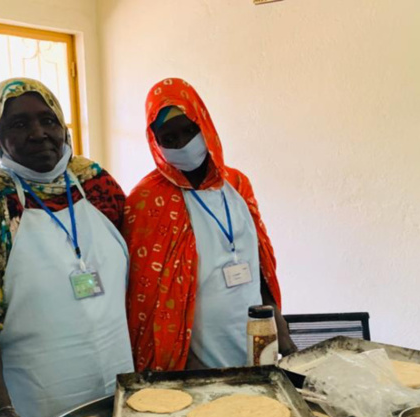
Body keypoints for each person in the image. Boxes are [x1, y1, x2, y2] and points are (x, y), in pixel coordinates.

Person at [0, 79, 132, 417]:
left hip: (117, 381)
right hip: (34, 401)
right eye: (19, 124)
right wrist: (2, 412)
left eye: (48, 120)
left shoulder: (94, 184)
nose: (39, 133)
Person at [123, 78, 294, 372]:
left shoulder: (237, 185)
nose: (183, 144)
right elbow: (146, 303)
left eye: (189, 131)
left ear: (203, 122)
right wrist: (179, 362)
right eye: (169, 137)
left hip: (255, 345)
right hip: (191, 361)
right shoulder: (147, 200)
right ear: (155, 141)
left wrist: (280, 327)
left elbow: (260, 265)